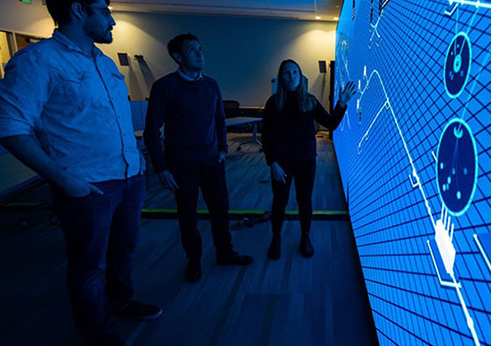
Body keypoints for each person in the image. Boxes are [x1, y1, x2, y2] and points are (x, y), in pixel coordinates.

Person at [0, 0, 161, 346]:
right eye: (105, 12)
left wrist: (137, 162)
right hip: (87, 187)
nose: (112, 22)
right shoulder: (39, 61)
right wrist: (66, 181)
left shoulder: (102, 61)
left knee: (124, 252)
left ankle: (119, 304)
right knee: (89, 267)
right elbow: (9, 128)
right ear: (78, 11)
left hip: (129, 177)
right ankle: (99, 335)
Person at [143, 33, 253, 283]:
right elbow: (152, 131)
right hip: (181, 164)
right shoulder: (164, 87)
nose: (200, 54)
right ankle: (193, 260)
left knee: (220, 210)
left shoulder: (211, 85)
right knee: (187, 214)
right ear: (178, 57)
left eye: (200, 49)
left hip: (211, 160)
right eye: (193, 50)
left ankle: (225, 252)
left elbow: (219, 119)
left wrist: (223, 148)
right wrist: (161, 168)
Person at [263, 59, 356, 259]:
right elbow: (266, 137)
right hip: (281, 163)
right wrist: (273, 163)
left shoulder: (310, 100)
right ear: (281, 78)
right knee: (280, 201)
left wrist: (341, 103)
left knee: (304, 201)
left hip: (305, 160)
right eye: (287, 73)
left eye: (295, 72)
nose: (291, 76)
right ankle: (276, 238)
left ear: (300, 75)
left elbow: (331, 124)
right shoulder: (273, 103)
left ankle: (305, 237)